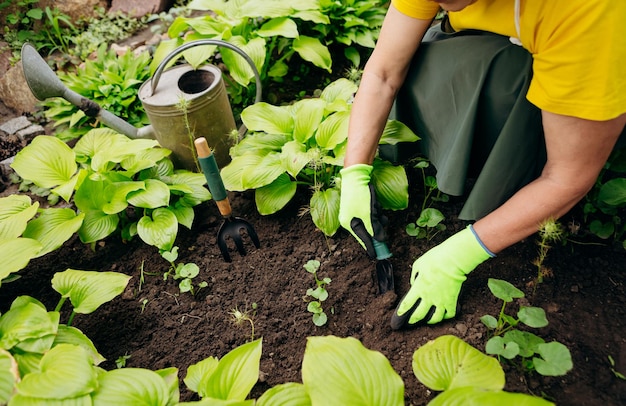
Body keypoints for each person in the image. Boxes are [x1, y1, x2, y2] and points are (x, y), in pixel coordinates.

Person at [338, 0, 626, 329]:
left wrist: (461, 254)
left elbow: (568, 177)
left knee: (508, 87)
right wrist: (354, 173)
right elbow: (383, 73)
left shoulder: (588, 11)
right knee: (425, 63)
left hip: (593, 67)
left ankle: (515, 173)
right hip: (510, 43)